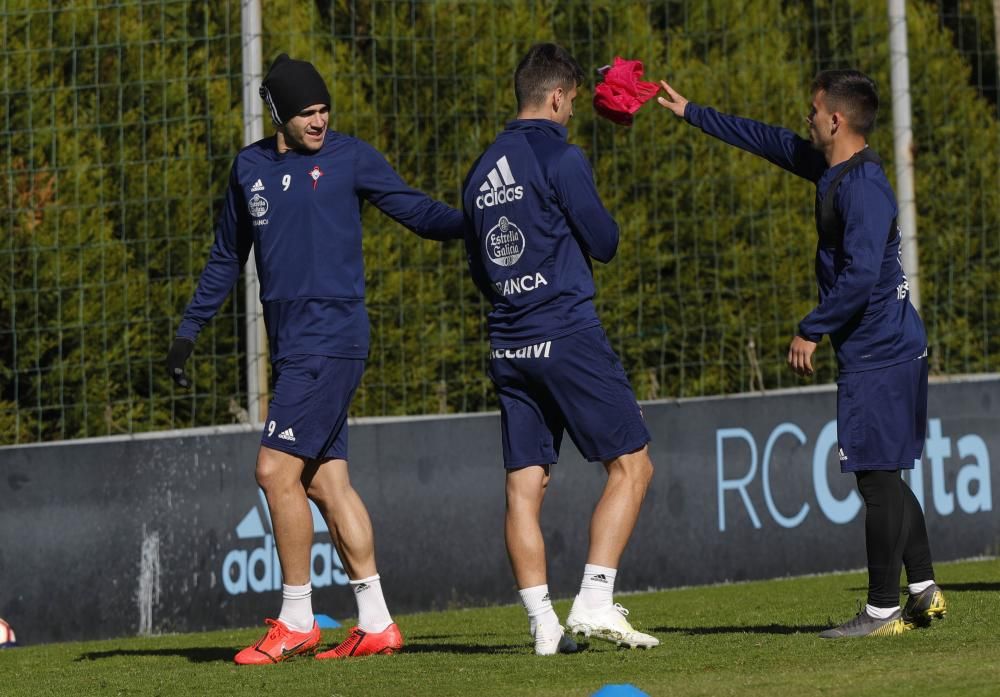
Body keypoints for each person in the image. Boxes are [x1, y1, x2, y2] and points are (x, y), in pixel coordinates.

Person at [166, 53, 465, 664]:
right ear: (277, 113)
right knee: (328, 485)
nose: (319, 120)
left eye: (324, 109)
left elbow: (417, 211)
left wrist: (475, 222)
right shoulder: (248, 168)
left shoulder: (350, 157)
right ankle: (377, 623)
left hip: (331, 340)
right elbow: (227, 255)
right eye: (306, 111)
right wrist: (190, 329)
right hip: (295, 347)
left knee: (275, 473)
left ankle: (297, 618)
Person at [657, 70, 947, 637]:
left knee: (875, 479)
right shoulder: (836, 168)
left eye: (813, 110)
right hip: (890, 348)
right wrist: (692, 110)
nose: (806, 118)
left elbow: (862, 275)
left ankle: (883, 609)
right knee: (883, 474)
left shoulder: (862, 188)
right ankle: (923, 589)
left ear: (835, 120)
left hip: (880, 353)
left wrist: (810, 329)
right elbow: (768, 140)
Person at [461, 43, 660, 656]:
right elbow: (604, 242)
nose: (573, 109)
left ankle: (543, 625)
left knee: (525, 487)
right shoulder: (563, 158)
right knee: (633, 466)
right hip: (566, 332)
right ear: (556, 96)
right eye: (572, 99)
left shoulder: (479, 170)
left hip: (509, 342)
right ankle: (596, 600)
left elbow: (479, 266)